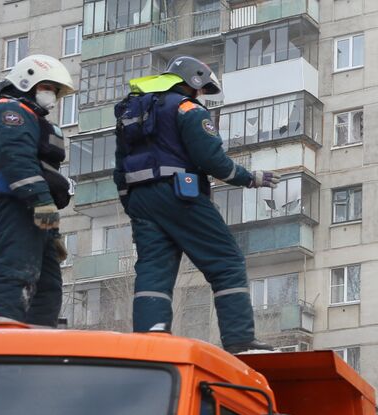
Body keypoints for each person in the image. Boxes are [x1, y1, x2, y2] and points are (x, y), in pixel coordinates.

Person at [114, 55, 277, 353]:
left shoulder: (134, 112)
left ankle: (151, 339)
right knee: (226, 262)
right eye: (201, 89)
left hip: (141, 200)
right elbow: (211, 160)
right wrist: (249, 178)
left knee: (153, 270)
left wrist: (131, 203)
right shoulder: (188, 109)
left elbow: (119, 167)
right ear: (194, 81)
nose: (202, 95)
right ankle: (240, 340)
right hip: (180, 194)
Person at [0, 55, 75, 325]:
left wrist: (51, 229)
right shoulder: (10, 111)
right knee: (16, 270)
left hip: (32, 203)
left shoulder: (26, 114)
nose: (52, 96)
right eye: (49, 88)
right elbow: (17, 162)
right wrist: (43, 206)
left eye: (55, 90)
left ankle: (38, 341)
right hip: (15, 200)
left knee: (48, 282)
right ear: (28, 80)